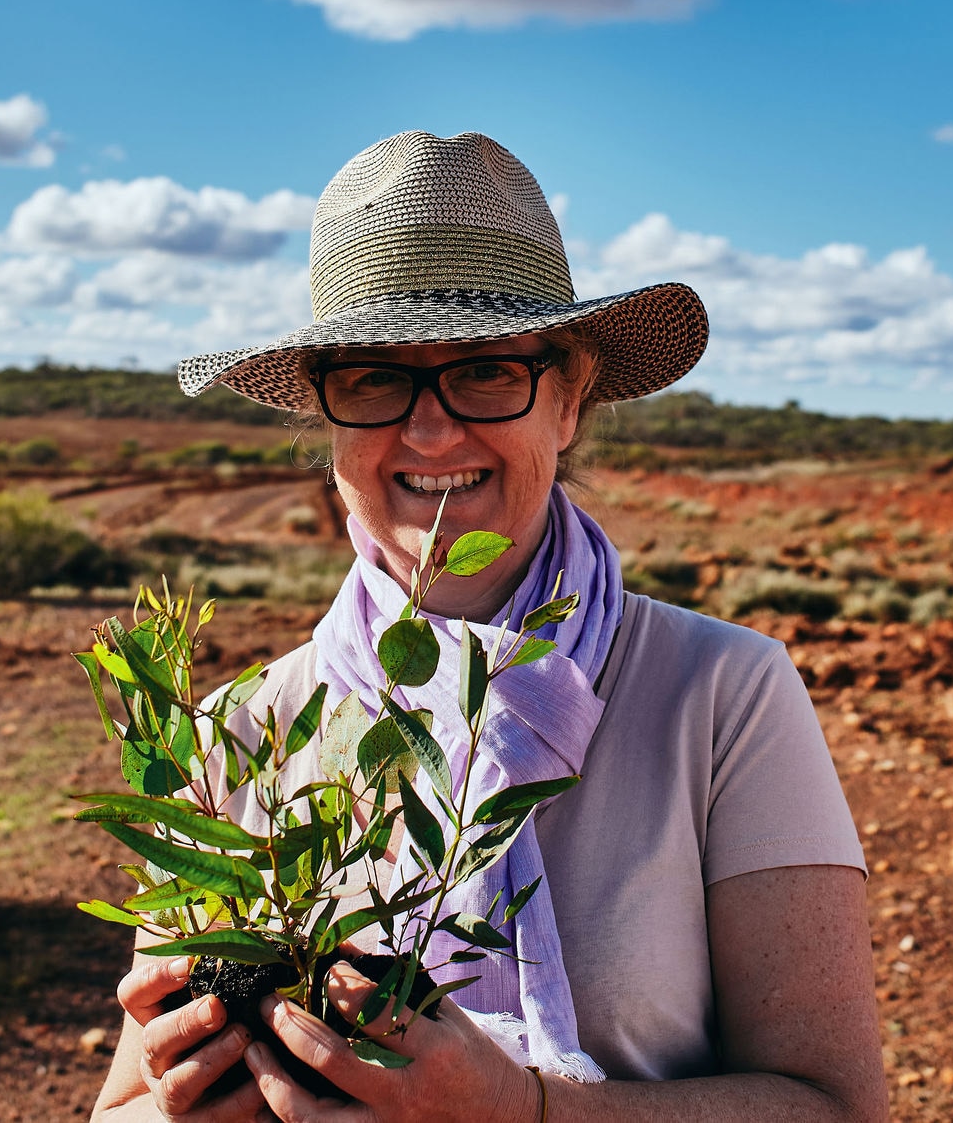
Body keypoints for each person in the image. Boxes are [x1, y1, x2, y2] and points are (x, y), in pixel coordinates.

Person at [92, 131, 886, 1123]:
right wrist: (176, 1110)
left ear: (568, 397)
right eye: (375, 378)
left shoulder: (721, 694)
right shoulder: (232, 736)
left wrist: (525, 1111)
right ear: (326, 412)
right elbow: (117, 1110)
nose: (429, 430)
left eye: (485, 370)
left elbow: (831, 1108)